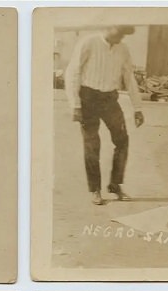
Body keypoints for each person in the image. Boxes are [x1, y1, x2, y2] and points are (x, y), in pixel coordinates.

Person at [65, 25, 145, 206]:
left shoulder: (123, 49)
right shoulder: (88, 42)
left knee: (122, 140)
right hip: (88, 99)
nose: (121, 38)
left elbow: (129, 77)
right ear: (109, 27)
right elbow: (73, 73)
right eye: (119, 33)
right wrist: (75, 105)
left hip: (110, 99)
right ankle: (95, 190)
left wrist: (137, 108)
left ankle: (115, 185)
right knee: (92, 145)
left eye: (124, 35)